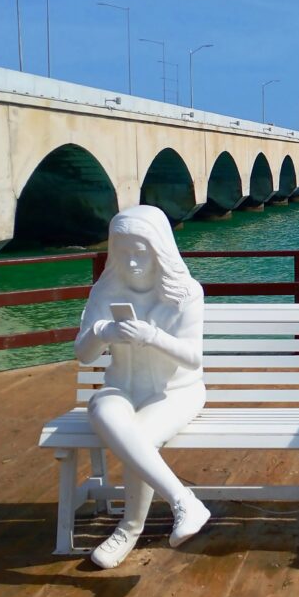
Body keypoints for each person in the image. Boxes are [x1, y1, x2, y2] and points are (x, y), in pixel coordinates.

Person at [74, 204, 210, 568]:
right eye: (124, 253)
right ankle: (185, 501)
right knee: (103, 408)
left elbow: (192, 358)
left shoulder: (185, 294)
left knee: (141, 437)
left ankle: (129, 528)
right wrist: (104, 331)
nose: (132, 263)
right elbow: (83, 355)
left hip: (176, 392)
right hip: (122, 388)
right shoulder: (105, 293)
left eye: (141, 253)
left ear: (159, 250)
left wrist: (152, 336)